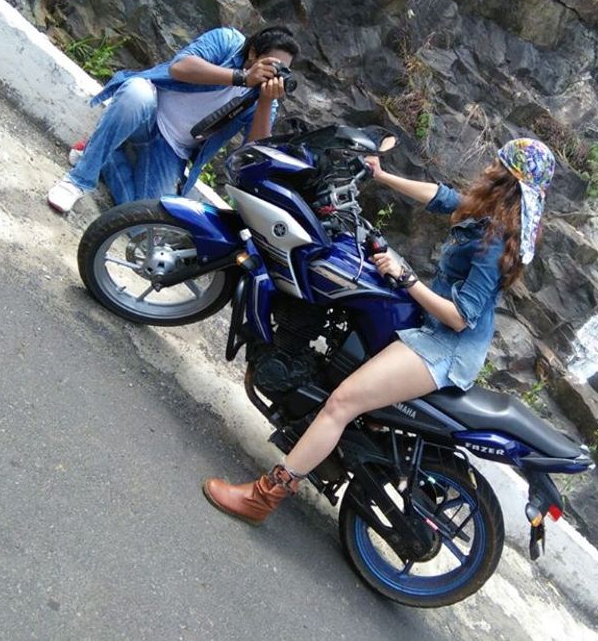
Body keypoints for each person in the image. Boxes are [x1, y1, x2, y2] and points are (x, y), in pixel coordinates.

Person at [202, 137, 557, 524]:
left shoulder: (495, 242)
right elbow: (443, 197)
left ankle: (264, 497)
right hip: (432, 326)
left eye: (498, 163)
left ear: (506, 180)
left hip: (444, 347)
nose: (489, 166)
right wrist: (382, 175)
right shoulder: (488, 214)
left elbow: (460, 316)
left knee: (341, 403)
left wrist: (406, 278)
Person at [47, 25, 300, 213]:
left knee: (145, 224)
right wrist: (242, 78)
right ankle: (78, 180)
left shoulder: (265, 100)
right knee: (136, 92)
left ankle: (105, 157)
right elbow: (180, 67)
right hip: (148, 112)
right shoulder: (228, 41)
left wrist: (264, 102)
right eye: (273, 65)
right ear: (254, 53)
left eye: (283, 71)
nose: (275, 74)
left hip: (171, 150)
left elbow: (253, 153)